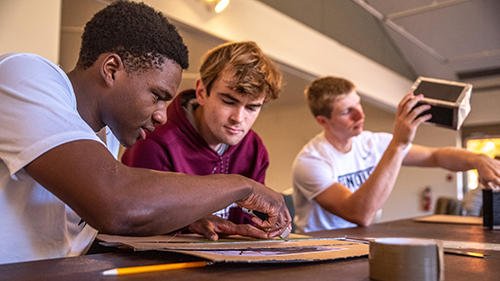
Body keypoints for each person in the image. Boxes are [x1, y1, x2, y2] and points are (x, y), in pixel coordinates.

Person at [0, 1, 290, 265]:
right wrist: (244, 187)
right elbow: (115, 204)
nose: (163, 115)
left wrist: (181, 217)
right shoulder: (22, 74)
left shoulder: (109, 132)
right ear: (112, 69)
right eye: (157, 96)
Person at [292, 76, 500, 233]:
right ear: (322, 121)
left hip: (358, 241)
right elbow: (361, 214)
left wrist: (477, 159)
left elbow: (436, 156)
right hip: (320, 249)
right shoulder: (310, 161)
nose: (360, 114)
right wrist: (399, 143)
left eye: (358, 104)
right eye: (347, 111)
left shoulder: (372, 142)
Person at [121, 41, 282, 240]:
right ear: (201, 92)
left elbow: (250, 227)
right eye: (228, 101)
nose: (239, 118)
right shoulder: (154, 143)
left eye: (252, 107)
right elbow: (132, 224)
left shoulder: (254, 149)